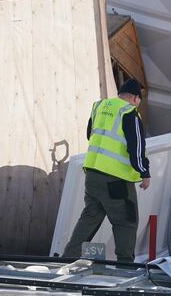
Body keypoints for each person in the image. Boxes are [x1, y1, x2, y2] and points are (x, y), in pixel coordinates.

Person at [64, 78, 151, 263]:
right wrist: (144, 172)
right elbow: (136, 147)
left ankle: (67, 259)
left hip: (93, 174)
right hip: (116, 180)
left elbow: (91, 134)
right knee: (125, 221)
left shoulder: (100, 107)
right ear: (135, 98)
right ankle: (125, 266)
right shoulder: (130, 113)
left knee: (89, 218)